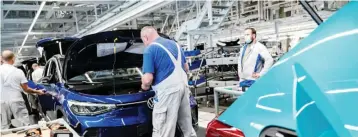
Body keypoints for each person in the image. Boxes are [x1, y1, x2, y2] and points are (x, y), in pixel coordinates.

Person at [140, 26, 196, 137]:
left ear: (145, 37)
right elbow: (186, 68)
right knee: (187, 129)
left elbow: (148, 79)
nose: (144, 44)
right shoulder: (175, 45)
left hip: (167, 92)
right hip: (183, 89)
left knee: (163, 131)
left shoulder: (150, 49)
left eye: (143, 41)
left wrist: (143, 86)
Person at [0, 50, 45, 129]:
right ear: (13, 59)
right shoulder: (18, 71)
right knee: (24, 125)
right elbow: (26, 89)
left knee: (4, 127)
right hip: (16, 100)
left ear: (2, 59)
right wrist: (38, 91)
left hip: (1, 102)